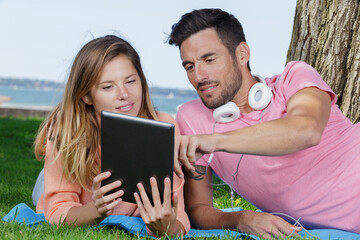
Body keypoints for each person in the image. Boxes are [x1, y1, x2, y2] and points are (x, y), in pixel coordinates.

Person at [168, 8, 360, 239]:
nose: (199, 76)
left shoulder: (294, 77)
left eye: (209, 59)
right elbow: (198, 210)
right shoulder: (192, 118)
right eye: (189, 66)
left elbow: (306, 130)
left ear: (241, 54)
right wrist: (241, 219)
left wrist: (213, 142)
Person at [33, 35, 190, 237]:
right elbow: (57, 211)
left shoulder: (164, 126)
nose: (124, 94)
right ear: (86, 95)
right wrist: (96, 210)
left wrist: (166, 227)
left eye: (131, 81)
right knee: (44, 189)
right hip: (66, 190)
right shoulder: (65, 129)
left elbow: (178, 218)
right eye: (108, 87)